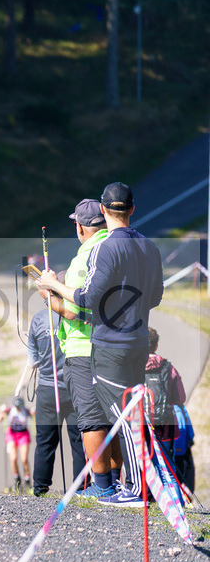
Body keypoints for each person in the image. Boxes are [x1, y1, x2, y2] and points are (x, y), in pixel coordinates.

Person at [38, 182, 164, 507]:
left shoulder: (104, 249)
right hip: (139, 341)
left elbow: (86, 299)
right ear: (132, 209)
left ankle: (135, 488)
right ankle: (134, 486)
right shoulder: (150, 246)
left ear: (105, 210)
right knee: (127, 411)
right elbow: (155, 297)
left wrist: (52, 285)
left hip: (111, 344)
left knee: (120, 416)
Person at [39, 199, 115, 499]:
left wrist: (49, 292)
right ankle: (117, 484)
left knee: (92, 420)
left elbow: (72, 311)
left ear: (80, 226)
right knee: (111, 417)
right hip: (113, 345)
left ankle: (103, 487)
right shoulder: (115, 248)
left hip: (84, 348)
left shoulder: (85, 257)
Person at [27, 305, 84, 496]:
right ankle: (81, 488)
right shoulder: (77, 314)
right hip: (76, 387)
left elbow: (32, 360)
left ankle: (40, 488)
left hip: (48, 389)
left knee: (45, 441)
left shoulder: (39, 318)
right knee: (79, 440)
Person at [145, 327, 186, 473]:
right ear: (156, 346)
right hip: (166, 427)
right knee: (167, 469)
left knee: (144, 470)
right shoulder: (168, 368)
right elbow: (180, 398)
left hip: (141, 428)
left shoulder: (133, 367)